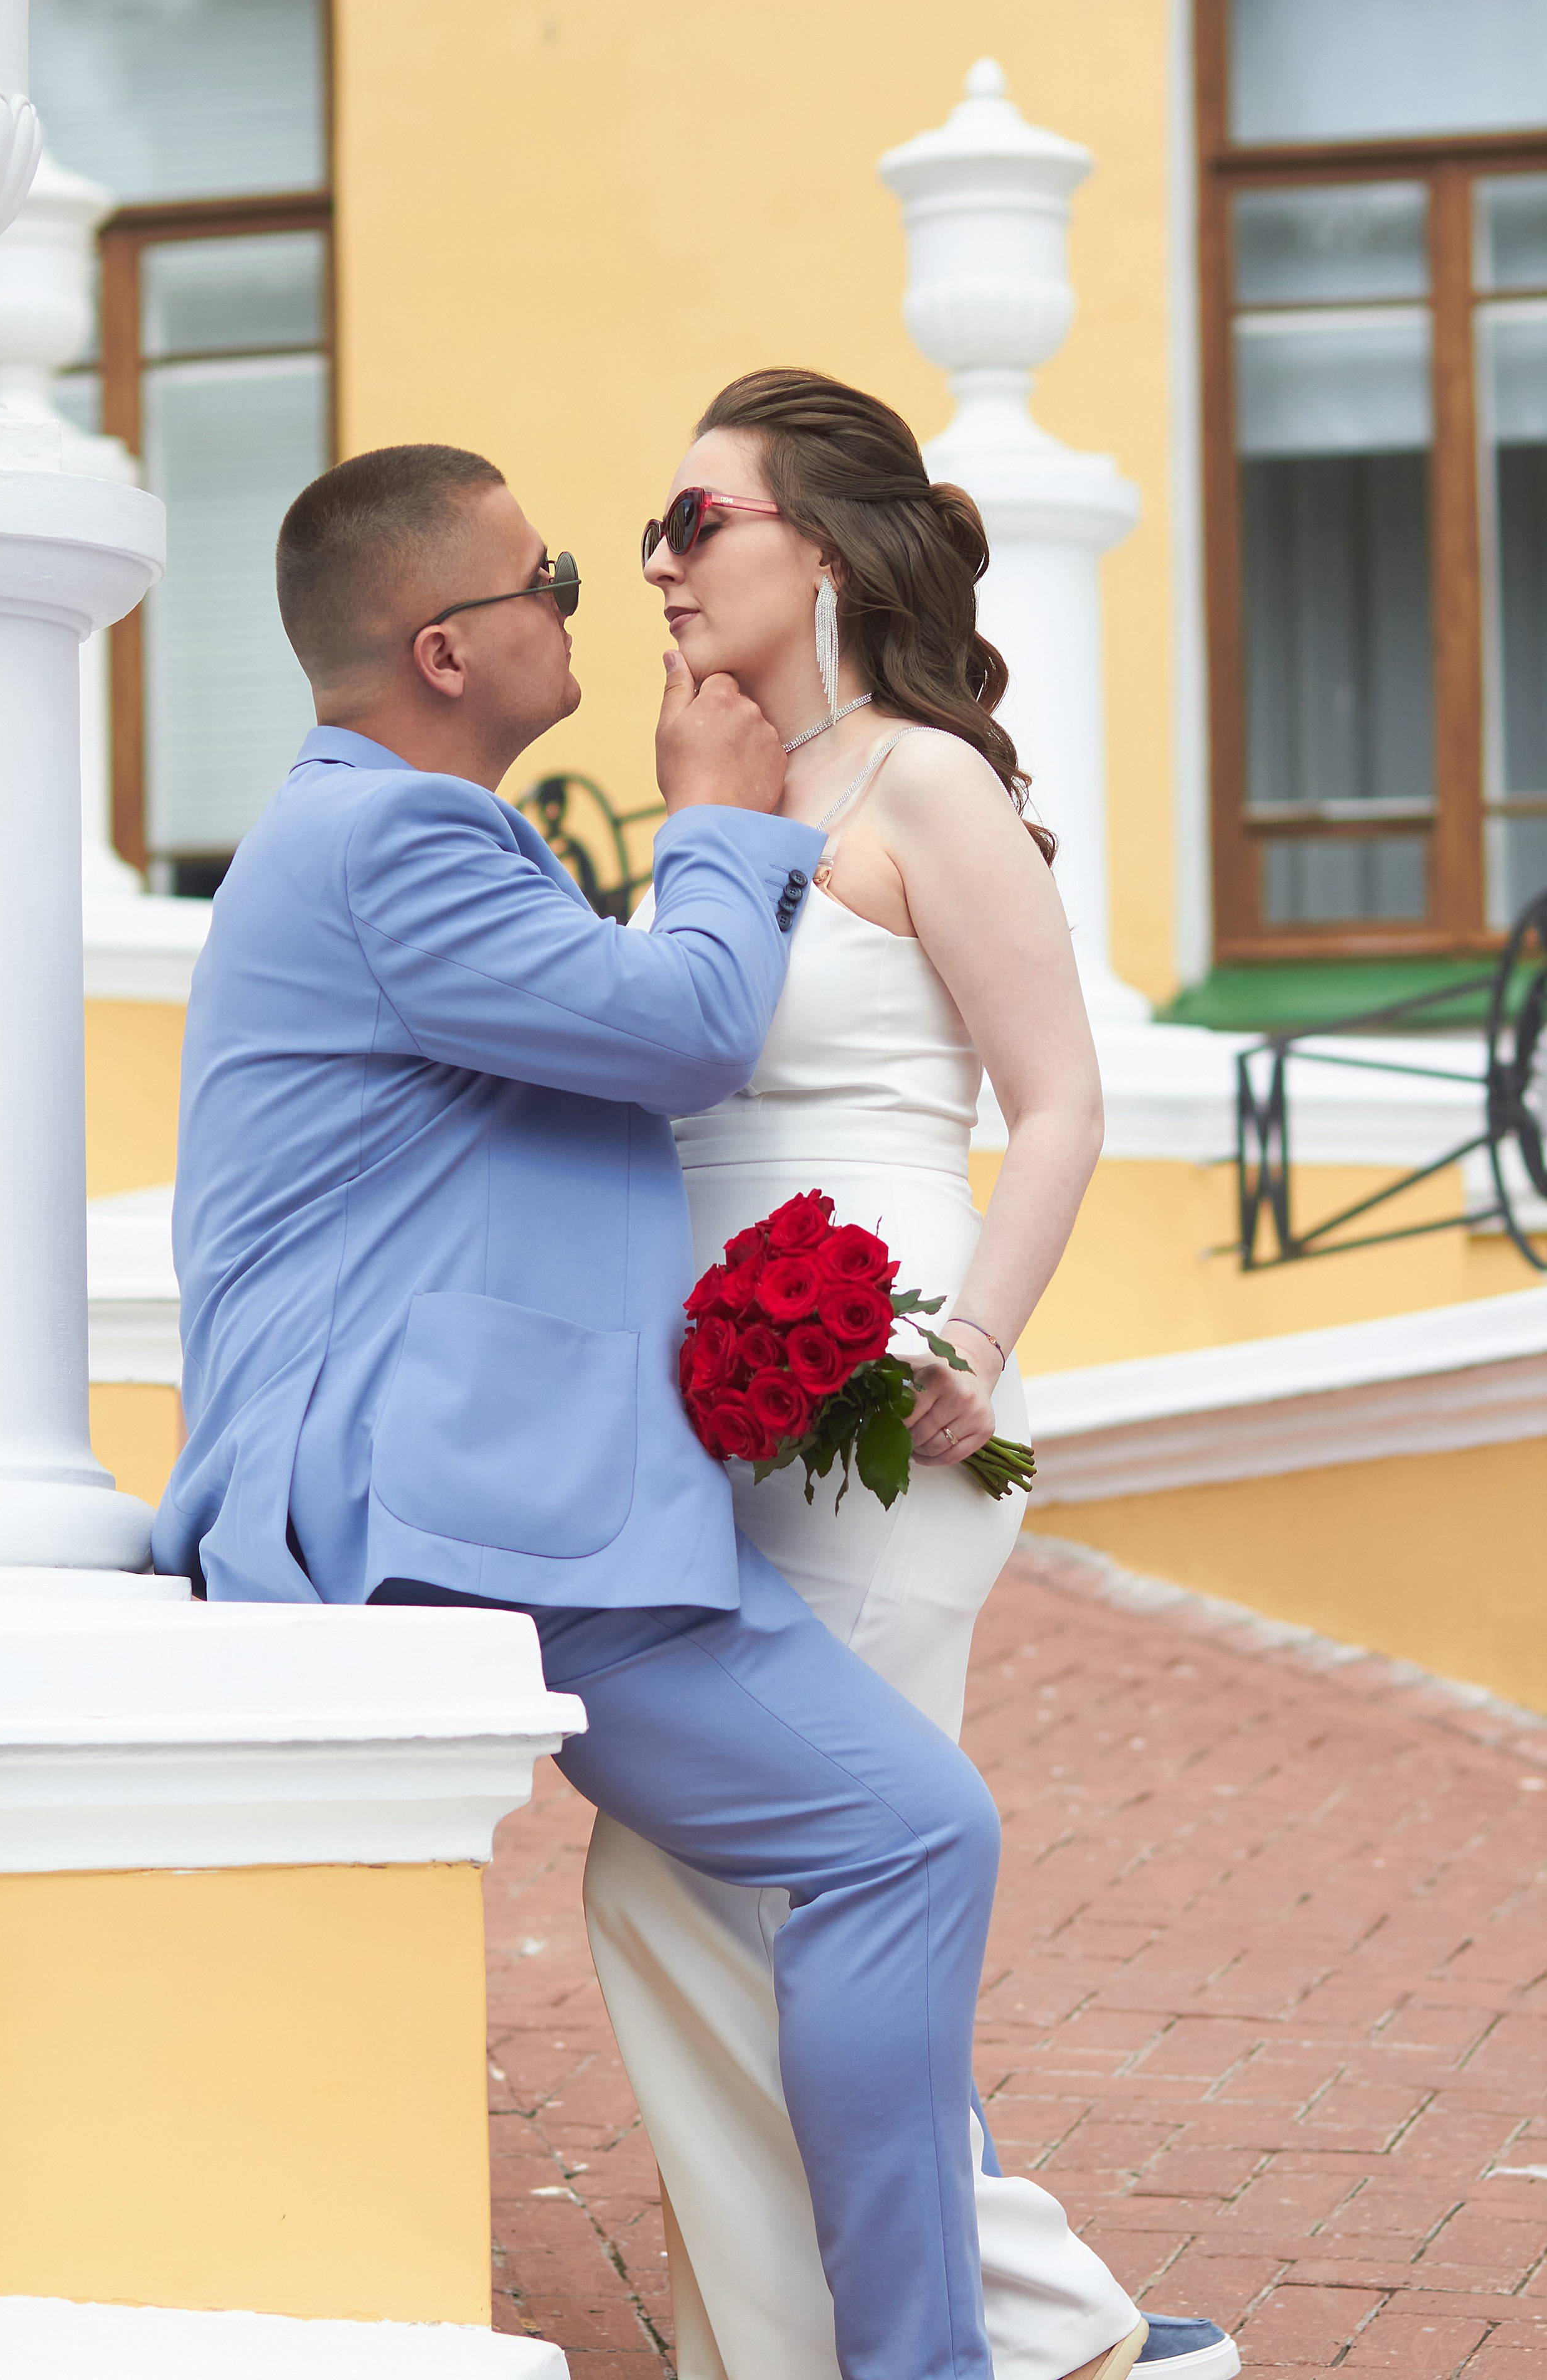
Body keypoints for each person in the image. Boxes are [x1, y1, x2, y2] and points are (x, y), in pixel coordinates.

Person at [152, 443, 1020, 2380]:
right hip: (457, 1500)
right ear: (447, 652)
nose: (590, 592)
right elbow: (691, 1030)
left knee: (864, 1845)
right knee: (909, 1836)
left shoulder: (368, 833)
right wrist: (712, 817)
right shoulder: (399, 842)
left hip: (471, 1484)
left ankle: (955, 2334)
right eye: (547, 571)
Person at [581, 372, 1241, 2380]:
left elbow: (1057, 1103)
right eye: (658, 530)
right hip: (703, 1415)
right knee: (682, 1877)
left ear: (827, 546)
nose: (663, 562)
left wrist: (969, 1348)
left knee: (794, 1879)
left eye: (699, 519)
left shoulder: (921, 785)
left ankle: (997, 2337)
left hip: (882, 1403)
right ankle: (1017, 2330)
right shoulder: (722, 791)